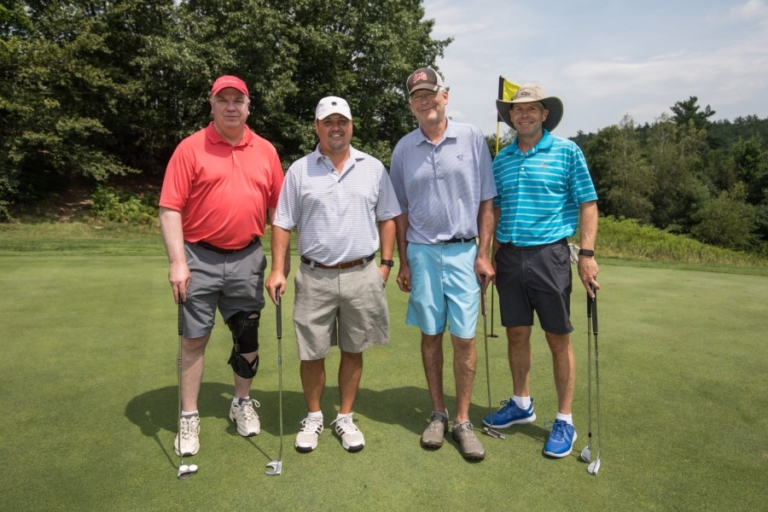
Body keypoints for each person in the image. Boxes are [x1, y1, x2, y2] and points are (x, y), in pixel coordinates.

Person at [159, 75, 286, 458]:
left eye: (238, 100)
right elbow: (170, 208)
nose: (231, 106)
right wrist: (178, 262)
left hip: (248, 256)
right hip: (198, 257)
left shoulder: (265, 150)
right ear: (211, 105)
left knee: (247, 337)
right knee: (194, 339)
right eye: (223, 99)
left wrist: (279, 265)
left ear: (249, 106)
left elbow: (279, 212)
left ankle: (241, 403)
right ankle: (189, 415)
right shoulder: (190, 148)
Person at [265, 96, 401, 453]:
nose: (336, 127)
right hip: (314, 276)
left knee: (354, 349)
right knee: (312, 352)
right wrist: (278, 269)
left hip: (362, 272)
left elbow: (388, 217)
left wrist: (386, 264)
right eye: (328, 121)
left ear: (352, 125)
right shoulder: (299, 170)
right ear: (317, 126)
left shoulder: (372, 167)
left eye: (342, 121)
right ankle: (313, 416)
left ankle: (344, 416)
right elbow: (282, 222)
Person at [483, 83, 599, 458]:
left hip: (550, 255)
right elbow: (495, 211)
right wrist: (487, 257)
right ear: (511, 117)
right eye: (518, 110)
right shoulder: (501, 160)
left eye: (532, 109)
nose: (525, 115)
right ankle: (521, 404)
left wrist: (587, 253)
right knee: (516, 333)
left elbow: (587, 202)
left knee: (557, 338)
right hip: (510, 257)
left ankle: (564, 420)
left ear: (544, 114)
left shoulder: (567, 151)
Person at [389, 68, 496, 461]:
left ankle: (463, 420)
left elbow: (487, 200)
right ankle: (438, 413)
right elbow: (399, 211)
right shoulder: (402, 149)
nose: (424, 101)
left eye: (430, 93)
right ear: (411, 103)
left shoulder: (471, 137)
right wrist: (403, 261)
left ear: (444, 96)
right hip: (421, 252)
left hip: (465, 252)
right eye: (417, 96)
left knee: (465, 338)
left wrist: (484, 253)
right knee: (431, 334)